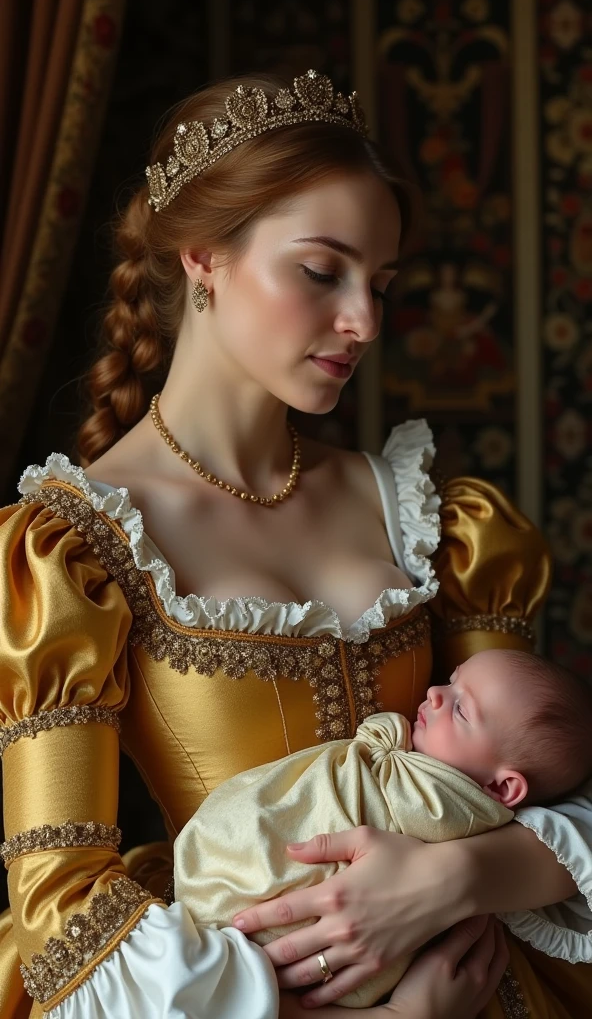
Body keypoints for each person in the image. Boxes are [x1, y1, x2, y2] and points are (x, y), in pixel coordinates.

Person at [0, 69, 589, 1018]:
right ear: (202, 256)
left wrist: (448, 884)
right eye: (322, 272)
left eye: (381, 284)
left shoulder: (432, 515)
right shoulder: (71, 551)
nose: (364, 322)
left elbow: (542, 785)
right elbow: (60, 913)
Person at [174, 649, 592, 1008]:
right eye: (450, 681)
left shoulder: (445, 805)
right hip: (194, 925)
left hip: (453, 976)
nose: (434, 693)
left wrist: (456, 874)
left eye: (462, 708)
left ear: (502, 788)